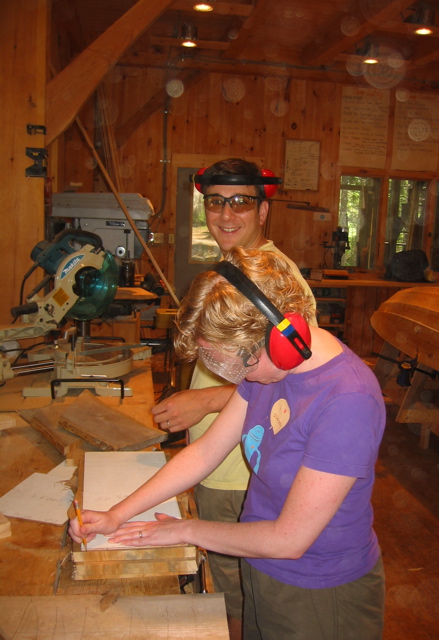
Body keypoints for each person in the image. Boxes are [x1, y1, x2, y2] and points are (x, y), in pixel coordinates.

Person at [69, 247, 386, 640]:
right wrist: (118, 514)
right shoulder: (266, 368)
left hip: (320, 592)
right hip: (259, 564)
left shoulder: (347, 401)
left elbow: (289, 540)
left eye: (233, 363)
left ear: (280, 339)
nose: (234, 376)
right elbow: (204, 452)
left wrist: (187, 530)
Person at [151, 158, 317, 639]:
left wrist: (202, 403)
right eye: (216, 202)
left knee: (238, 589)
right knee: (227, 579)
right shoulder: (231, 269)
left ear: (263, 211)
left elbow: (301, 379)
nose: (226, 214)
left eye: (241, 202)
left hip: (239, 467)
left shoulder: (277, 283)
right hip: (218, 454)